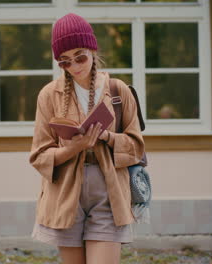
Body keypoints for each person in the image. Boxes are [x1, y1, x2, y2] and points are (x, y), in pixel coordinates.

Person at [29, 13, 145, 264]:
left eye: (80, 56)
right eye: (65, 62)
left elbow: (136, 147)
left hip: (109, 192)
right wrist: (75, 147)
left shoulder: (118, 91)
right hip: (65, 195)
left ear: (92, 49)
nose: (75, 65)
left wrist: (108, 137)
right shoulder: (49, 95)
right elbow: (39, 156)